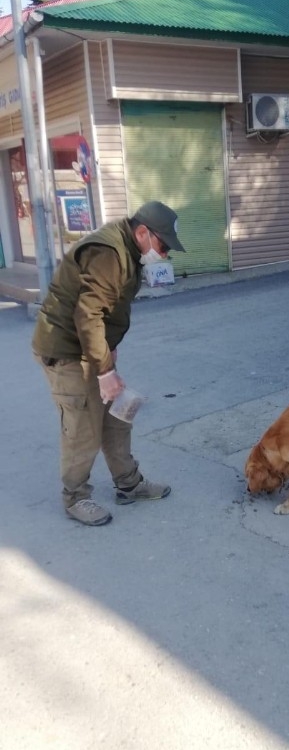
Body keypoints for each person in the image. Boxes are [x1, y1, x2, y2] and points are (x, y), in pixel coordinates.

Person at [32, 200, 185, 526]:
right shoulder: (110, 253)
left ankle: (129, 484)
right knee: (83, 427)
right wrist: (105, 371)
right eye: (163, 244)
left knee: (119, 415)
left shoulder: (129, 250)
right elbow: (87, 315)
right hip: (66, 350)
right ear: (143, 232)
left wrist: (109, 351)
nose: (166, 253)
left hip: (91, 348)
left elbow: (106, 309)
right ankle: (75, 497)